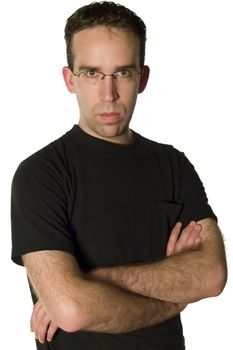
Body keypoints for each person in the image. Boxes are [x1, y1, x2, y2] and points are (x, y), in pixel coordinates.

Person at [11, 1, 227, 349]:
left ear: (142, 78)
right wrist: (174, 297)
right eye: (93, 73)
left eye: (123, 73)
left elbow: (212, 275)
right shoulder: (40, 175)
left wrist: (98, 278)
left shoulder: (173, 165)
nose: (108, 94)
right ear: (70, 79)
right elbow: (71, 310)